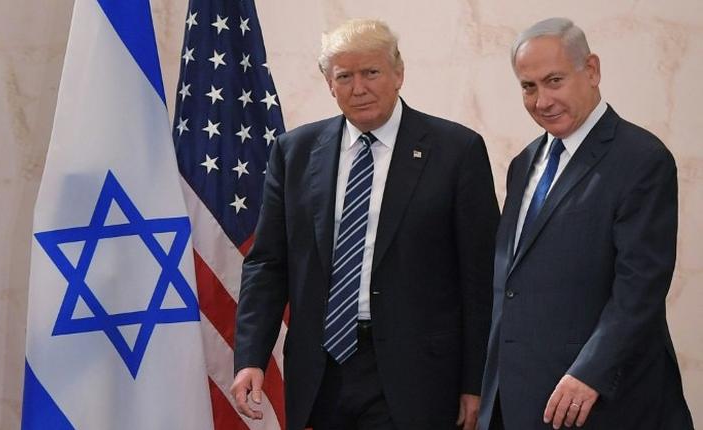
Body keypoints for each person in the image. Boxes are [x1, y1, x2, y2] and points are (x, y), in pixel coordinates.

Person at [231, 18, 500, 430]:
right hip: (323, 372)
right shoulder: (295, 153)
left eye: (371, 72)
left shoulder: (456, 151)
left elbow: (480, 278)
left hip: (419, 376)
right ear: (329, 84)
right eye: (345, 76)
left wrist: (475, 381)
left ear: (398, 74)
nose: (359, 88)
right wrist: (251, 356)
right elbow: (267, 264)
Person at [478, 17, 694, 430]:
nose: (542, 100)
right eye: (529, 86)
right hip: (519, 400)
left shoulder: (641, 159)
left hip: (600, 402)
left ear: (591, 70)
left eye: (554, 80)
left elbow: (640, 288)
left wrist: (590, 372)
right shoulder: (524, 163)